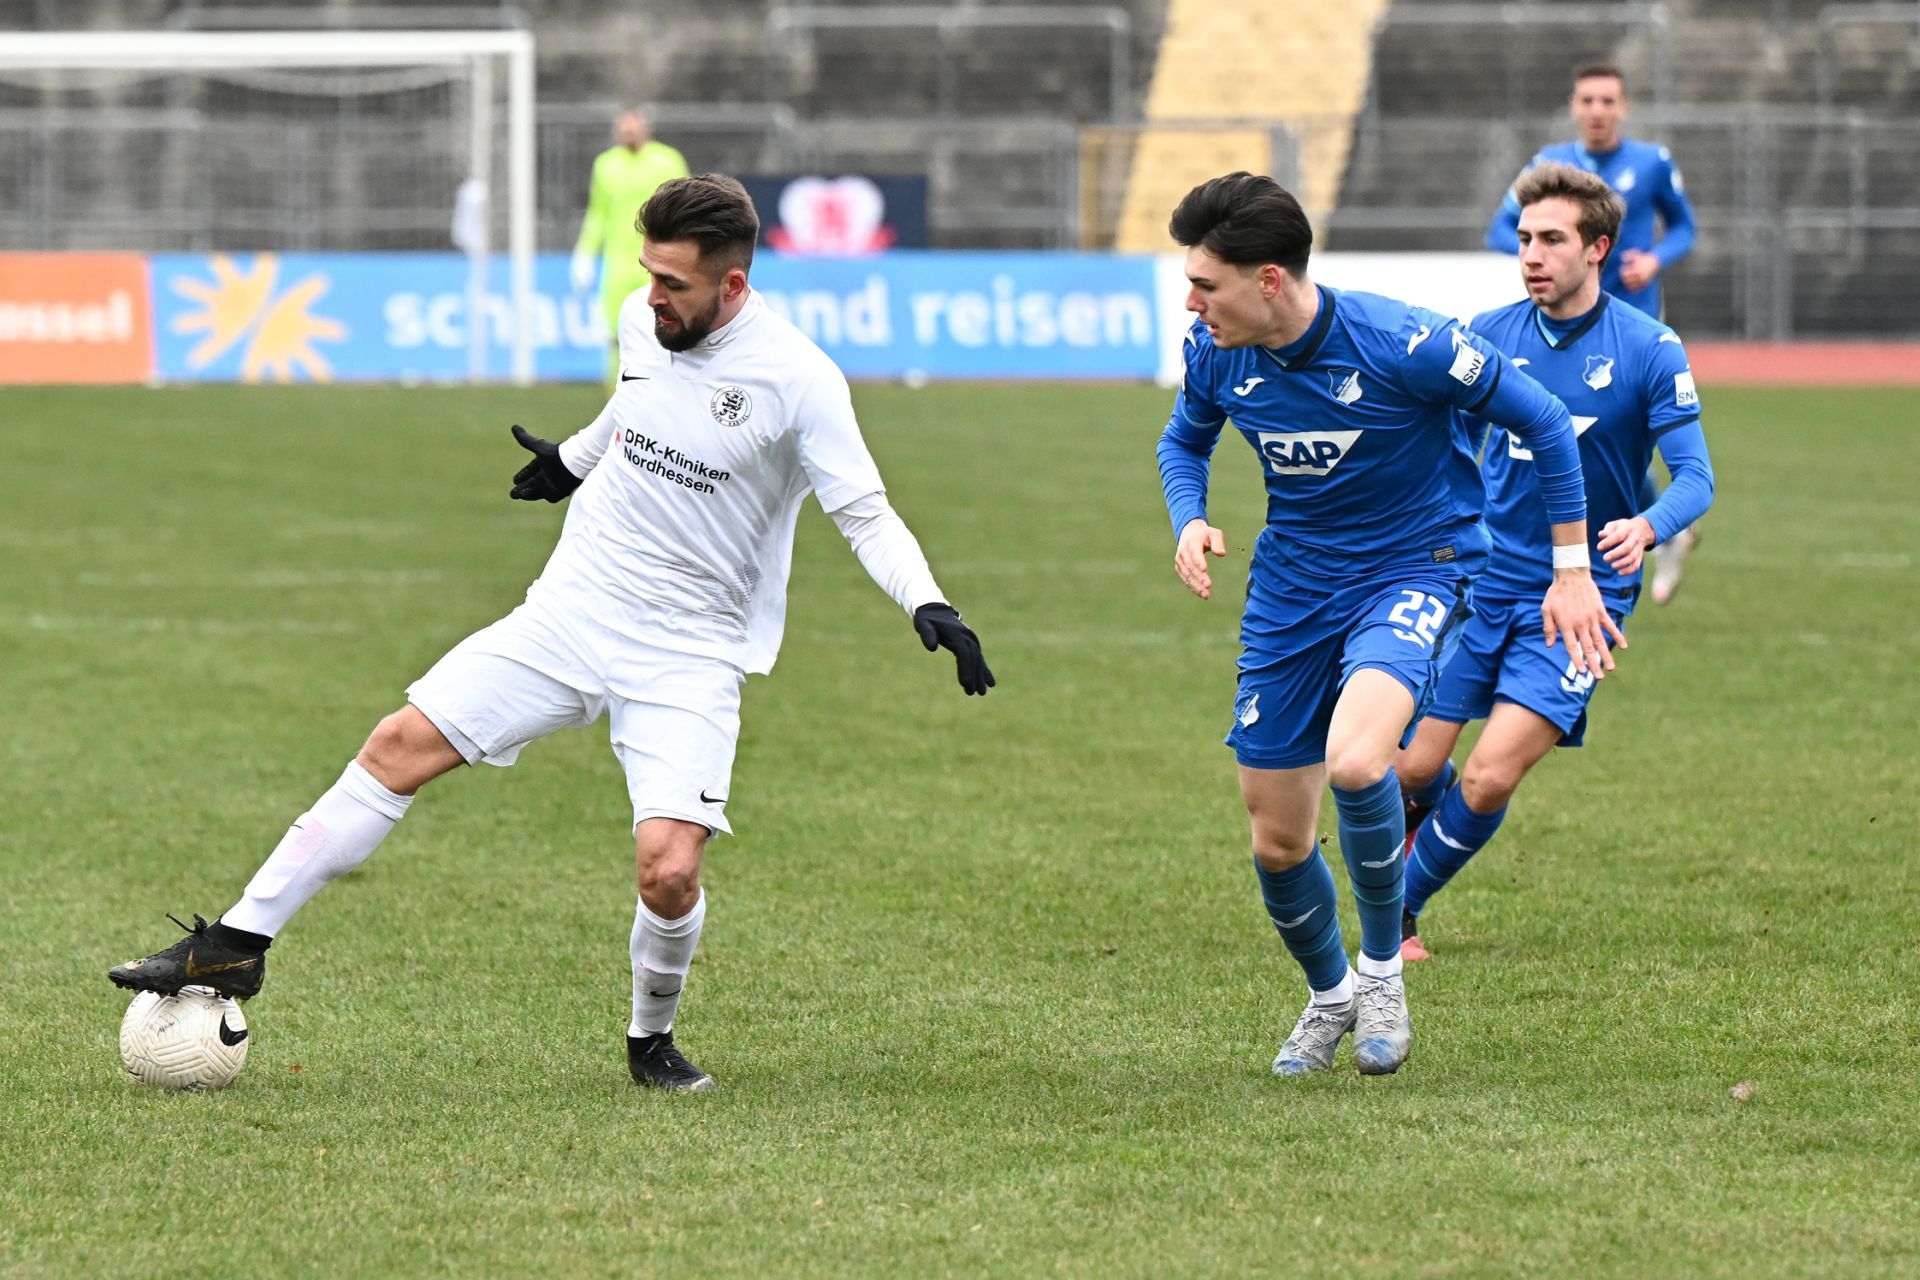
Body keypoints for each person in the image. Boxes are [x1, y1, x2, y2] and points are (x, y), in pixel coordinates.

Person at [110, 174, 995, 1094]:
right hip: (573, 609)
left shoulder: (800, 380)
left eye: (674, 285)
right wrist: (573, 461)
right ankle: (237, 943)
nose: (652, 297)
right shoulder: (640, 320)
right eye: (647, 275)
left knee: (668, 872)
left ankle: (649, 1041)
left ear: (732, 287)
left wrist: (928, 603)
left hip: (690, 649)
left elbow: (864, 509)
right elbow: (631, 404)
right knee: (397, 745)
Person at [1157, 172, 1621, 1077]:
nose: (1191, 301)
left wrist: (1571, 572)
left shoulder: (1404, 343)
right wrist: (1190, 516)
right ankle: (1330, 996)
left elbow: (1549, 423)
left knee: (1363, 761)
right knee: (1277, 836)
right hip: (1292, 591)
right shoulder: (1216, 352)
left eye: (1206, 284)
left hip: (1416, 571)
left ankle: (1381, 975)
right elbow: (1185, 439)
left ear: (1270, 282)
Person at [1397, 162, 1715, 961]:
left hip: (1587, 595)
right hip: (1483, 580)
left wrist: (1644, 527)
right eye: (1525, 239)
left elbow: (1698, 479)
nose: (1531, 254)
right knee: (1409, 770)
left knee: (1490, 777)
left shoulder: (1647, 348)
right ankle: (1390, 899)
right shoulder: (1487, 337)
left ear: (1599, 248)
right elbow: (1443, 448)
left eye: (1551, 240)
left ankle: (1391, 912)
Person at [1484, 63, 1703, 603]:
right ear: (1573, 106)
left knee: (1622, 442)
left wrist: (1653, 260)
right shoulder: (1547, 166)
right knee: (1564, 443)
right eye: (1588, 101)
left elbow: (1685, 228)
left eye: (1608, 101)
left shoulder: (1651, 163)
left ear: (1623, 107)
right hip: (1549, 328)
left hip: (1626, 327)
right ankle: (1647, 534)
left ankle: (1644, 533)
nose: (1597, 111)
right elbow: (1496, 229)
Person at [573, 108, 690, 387]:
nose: (628, 134)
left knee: (666, 327)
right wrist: (585, 253)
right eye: (623, 130)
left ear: (645, 129)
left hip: (660, 262)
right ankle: (617, 392)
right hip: (619, 263)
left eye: (633, 128)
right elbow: (597, 214)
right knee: (616, 332)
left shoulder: (668, 160)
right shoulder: (606, 165)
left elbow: (687, 209)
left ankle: (669, 387)